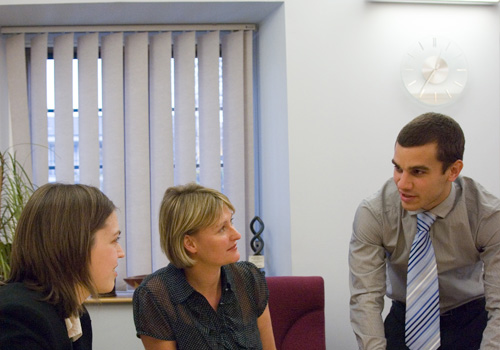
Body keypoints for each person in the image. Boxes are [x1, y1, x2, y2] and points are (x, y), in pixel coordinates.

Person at [349, 112, 500, 350]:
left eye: (417, 172)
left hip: (470, 322)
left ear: (453, 171)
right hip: (405, 321)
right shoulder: (374, 213)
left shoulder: (488, 215)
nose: (402, 183)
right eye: (398, 168)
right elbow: (365, 298)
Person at [133, 183, 276, 350]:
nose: (237, 235)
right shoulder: (155, 296)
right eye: (222, 229)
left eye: (231, 222)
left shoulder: (249, 278)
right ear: (190, 243)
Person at [0, 183, 125, 350]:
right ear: (76, 245)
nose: (121, 253)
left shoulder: (77, 315)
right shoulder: (19, 318)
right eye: (114, 240)